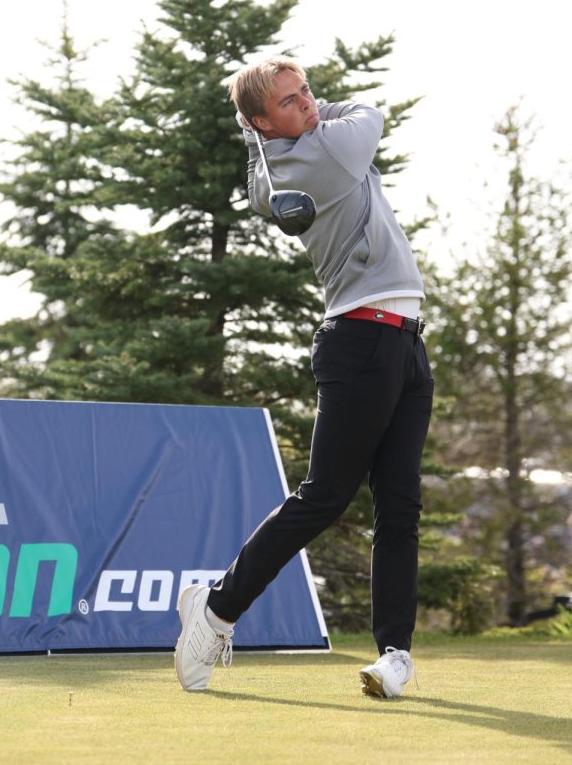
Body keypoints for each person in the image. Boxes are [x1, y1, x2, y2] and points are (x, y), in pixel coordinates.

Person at [174, 57, 433, 698]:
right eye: (290, 103)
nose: (309, 105)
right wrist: (319, 119)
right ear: (263, 122)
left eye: (307, 92)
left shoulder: (288, 156)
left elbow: (309, 131)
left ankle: (395, 655)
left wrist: (283, 123)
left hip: (404, 342)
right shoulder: (324, 157)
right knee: (324, 497)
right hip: (361, 340)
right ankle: (216, 609)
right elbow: (370, 113)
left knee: (400, 506)